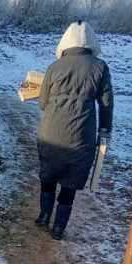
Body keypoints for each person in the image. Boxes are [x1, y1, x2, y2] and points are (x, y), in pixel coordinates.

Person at [35, 20, 113, 240]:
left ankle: (43, 216)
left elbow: (42, 103)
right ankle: (59, 228)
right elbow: (106, 104)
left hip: (50, 130)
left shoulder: (54, 66)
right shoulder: (100, 67)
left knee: (48, 175)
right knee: (70, 181)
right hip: (81, 134)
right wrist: (105, 131)